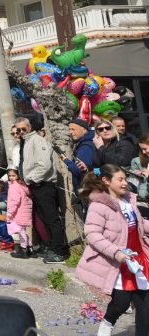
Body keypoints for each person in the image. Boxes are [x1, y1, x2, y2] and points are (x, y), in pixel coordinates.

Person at [76, 164, 149, 336]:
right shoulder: (99, 205)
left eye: (125, 179)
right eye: (121, 179)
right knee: (121, 303)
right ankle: (107, 324)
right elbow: (92, 234)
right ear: (106, 181)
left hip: (138, 258)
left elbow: (138, 224)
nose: (125, 183)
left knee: (145, 305)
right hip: (117, 262)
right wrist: (116, 252)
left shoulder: (129, 200)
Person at [13, 115, 69, 264]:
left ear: (30, 127)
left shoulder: (37, 140)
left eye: (23, 128)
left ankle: (60, 251)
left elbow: (44, 165)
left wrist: (32, 178)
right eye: (17, 129)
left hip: (43, 184)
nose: (20, 131)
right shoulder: (26, 141)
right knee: (44, 218)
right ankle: (52, 247)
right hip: (35, 185)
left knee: (51, 218)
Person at [6, 168, 34, 259]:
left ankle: (23, 250)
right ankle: (29, 248)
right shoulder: (23, 185)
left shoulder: (15, 186)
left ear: (18, 175)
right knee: (24, 232)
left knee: (21, 232)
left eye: (13, 175)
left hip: (19, 213)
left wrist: (10, 213)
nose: (11, 178)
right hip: (24, 212)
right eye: (10, 176)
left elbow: (15, 201)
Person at [70, 118, 100, 191]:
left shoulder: (86, 146)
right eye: (69, 129)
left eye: (73, 129)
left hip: (88, 188)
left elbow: (78, 169)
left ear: (84, 129)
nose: (70, 132)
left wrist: (66, 161)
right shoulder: (87, 142)